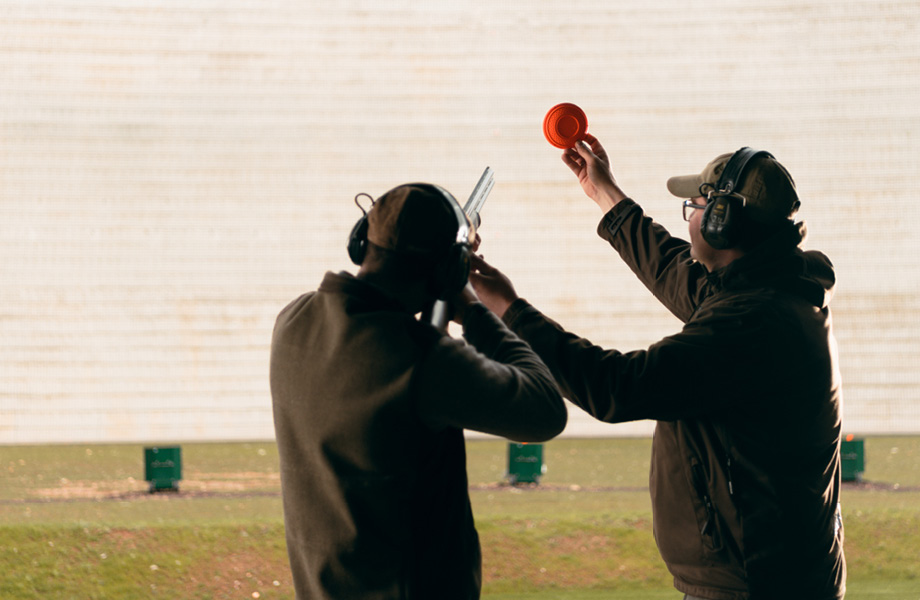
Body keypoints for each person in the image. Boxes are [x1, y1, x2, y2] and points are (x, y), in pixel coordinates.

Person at [469, 135, 846, 600]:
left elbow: (616, 387)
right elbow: (671, 268)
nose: (689, 218)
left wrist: (505, 308)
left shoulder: (748, 322)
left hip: (752, 585)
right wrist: (604, 192)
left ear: (722, 222)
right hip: (770, 575)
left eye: (695, 205)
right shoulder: (768, 290)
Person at [270, 182, 567, 600]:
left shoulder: (293, 321)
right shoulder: (424, 361)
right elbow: (545, 410)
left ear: (361, 241)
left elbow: (391, 380)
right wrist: (474, 311)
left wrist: (440, 298)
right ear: (448, 271)